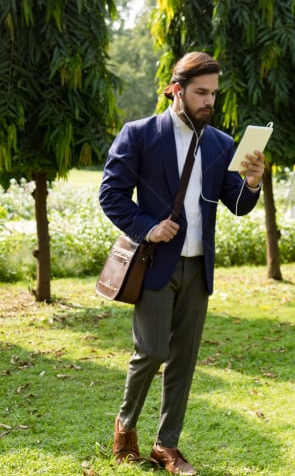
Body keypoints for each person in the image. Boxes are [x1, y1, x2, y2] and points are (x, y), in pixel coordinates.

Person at [99, 52, 265, 475]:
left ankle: (165, 446)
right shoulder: (138, 134)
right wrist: (147, 228)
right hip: (155, 264)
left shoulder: (221, 142)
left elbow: (237, 204)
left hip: (198, 269)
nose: (209, 101)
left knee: (184, 359)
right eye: (200, 93)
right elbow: (111, 195)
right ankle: (125, 425)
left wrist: (252, 182)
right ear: (176, 89)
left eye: (213, 93)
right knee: (151, 351)